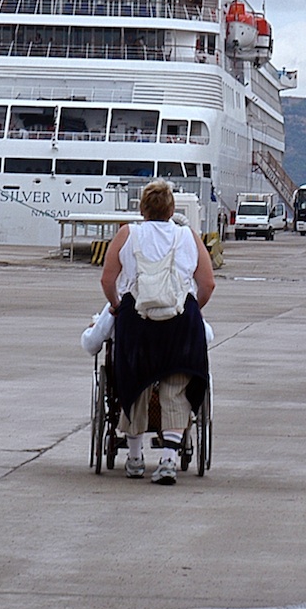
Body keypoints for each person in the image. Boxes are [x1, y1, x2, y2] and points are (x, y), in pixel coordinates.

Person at [99, 179, 215, 486]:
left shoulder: (128, 233)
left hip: (137, 320)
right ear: (172, 209)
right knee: (175, 386)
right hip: (180, 322)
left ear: (142, 208)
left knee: (134, 382)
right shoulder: (188, 236)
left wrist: (115, 305)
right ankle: (168, 461)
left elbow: (108, 279)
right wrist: (193, 307)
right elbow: (208, 284)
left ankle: (135, 459)